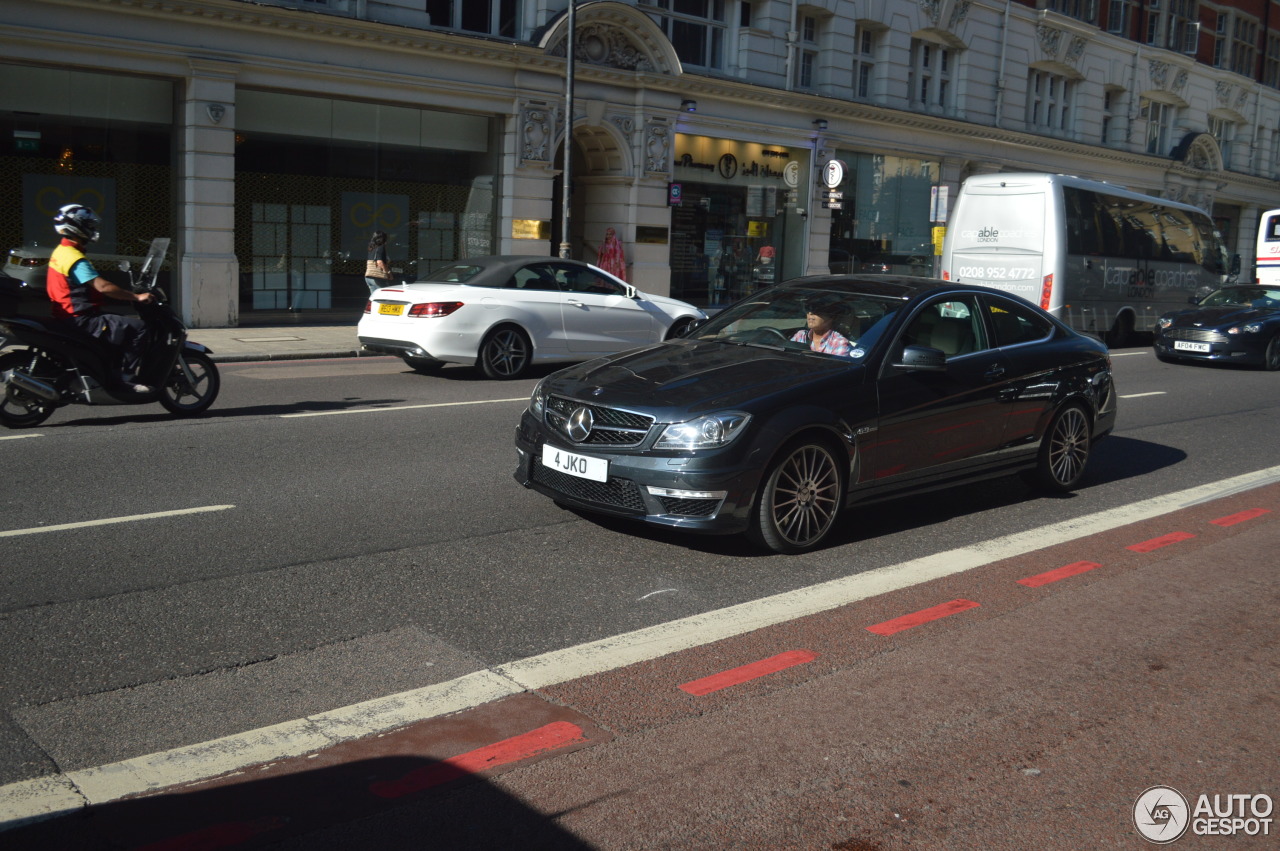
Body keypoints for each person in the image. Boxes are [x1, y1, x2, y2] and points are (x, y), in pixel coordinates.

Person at [46, 204, 156, 391]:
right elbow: (103, 287)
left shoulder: (61, 252)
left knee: (118, 324)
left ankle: (108, 371)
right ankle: (126, 379)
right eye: (89, 225)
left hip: (69, 316)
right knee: (139, 328)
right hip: (81, 319)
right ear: (77, 227)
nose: (93, 230)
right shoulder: (75, 258)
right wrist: (135, 297)